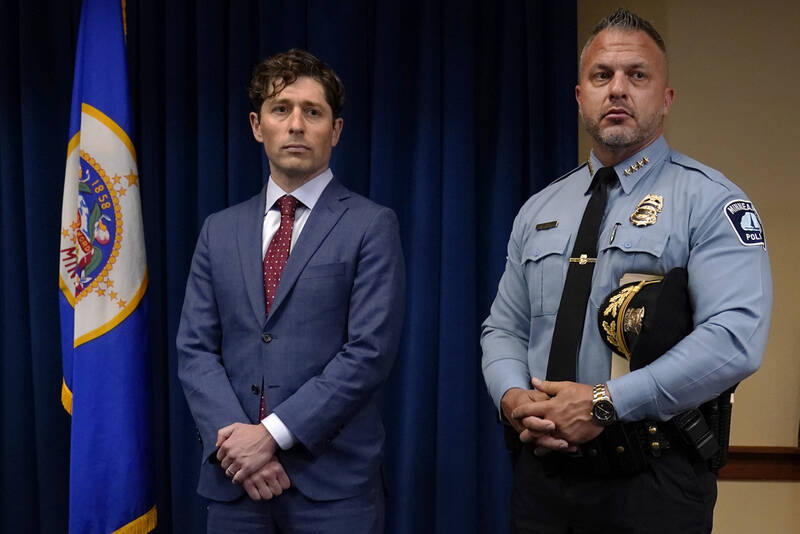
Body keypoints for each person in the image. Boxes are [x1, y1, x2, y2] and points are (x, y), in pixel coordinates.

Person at [481, 8, 771, 534]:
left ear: (666, 98)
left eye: (637, 75)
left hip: (652, 479)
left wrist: (603, 404)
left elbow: (735, 338)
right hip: (541, 480)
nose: (617, 89)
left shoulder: (709, 201)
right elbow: (504, 327)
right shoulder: (538, 209)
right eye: (602, 76)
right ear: (580, 97)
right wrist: (511, 397)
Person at [177, 49, 405, 534]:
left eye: (313, 112)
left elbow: (369, 352)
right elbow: (195, 349)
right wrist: (239, 449)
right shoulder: (218, 230)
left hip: (333, 490)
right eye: (281, 109)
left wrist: (270, 437)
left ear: (335, 131)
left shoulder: (371, 225)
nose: (296, 125)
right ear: (258, 126)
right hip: (235, 483)